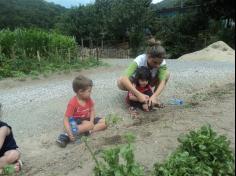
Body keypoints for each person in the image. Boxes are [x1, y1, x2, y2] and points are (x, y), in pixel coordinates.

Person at [56, 75, 107, 148]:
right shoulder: (73, 103)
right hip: (76, 121)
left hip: (87, 119)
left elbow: (92, 110)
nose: (90, 93)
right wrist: (68, 130)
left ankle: (87, 131)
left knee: (105, 122)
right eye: (89, 91)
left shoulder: (88, 99)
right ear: (80, 92)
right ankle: (65, 136)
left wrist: (91, 121)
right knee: (86, 125)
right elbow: (66, 119)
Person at [117, 41, 170, 109]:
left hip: (149, 82)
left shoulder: (162, 63)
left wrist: (154, 96)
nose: (157, 65)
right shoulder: (140, 59)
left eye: (160, 63)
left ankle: (152, 99)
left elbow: (162, 82)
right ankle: (137, 95)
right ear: (148, 56)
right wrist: (138, 95)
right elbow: (124, 78)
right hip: (136, 82)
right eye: (155, 62)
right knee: (120, 81)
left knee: (167, 74)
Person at [0, 104, 22, 174]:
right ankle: (7, 169)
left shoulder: (3, 128)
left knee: (14, 154)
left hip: (4, 156)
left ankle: (5, 170)